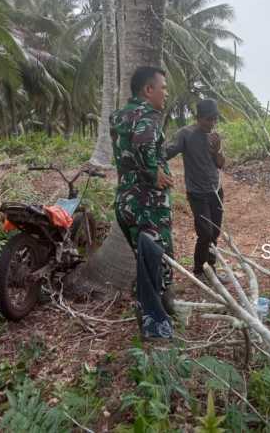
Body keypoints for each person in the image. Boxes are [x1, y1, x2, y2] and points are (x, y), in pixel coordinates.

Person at [109, 66, 175, 341]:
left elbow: (131, 146)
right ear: (148, 90)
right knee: (157, 259)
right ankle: (155, 325)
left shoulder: (120, 116)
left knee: (145, 260)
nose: (166, 94)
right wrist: (153, 172)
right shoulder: (148, 115)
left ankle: (157, 311)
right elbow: (142, 144)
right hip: (147, 201)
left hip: (126, 200)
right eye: (163, 88)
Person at [166, 98, 231, 284]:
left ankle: (210, 269)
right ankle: (199, 269)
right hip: (196, 192)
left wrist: (217, 150)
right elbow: (169, 152)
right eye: (208, 119)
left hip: (216, 190)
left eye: (214, 119)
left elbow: (220, 164)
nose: (211, 123)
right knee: (206, 232)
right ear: (198, 118)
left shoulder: (214, 136)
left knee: (215, 232)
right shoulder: (185, 134)